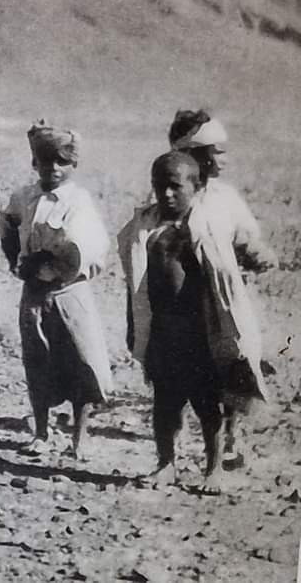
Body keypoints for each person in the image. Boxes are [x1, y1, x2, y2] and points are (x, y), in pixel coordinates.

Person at [120, 152, 275, 492]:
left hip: (200, 332)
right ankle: (166, 463)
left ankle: (213, 468)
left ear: (197, 186)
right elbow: (135, 285)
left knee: (208, 404)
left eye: (175, 187)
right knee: (165, 403)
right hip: (163, 330)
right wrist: (133, 323)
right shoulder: (147, 230)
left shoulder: (207, 227)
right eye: (160, 187)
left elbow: (228, 277)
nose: (167, 194)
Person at [0, 121, 113, 458]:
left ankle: (80, 438)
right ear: (34, 163)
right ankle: (42, 433)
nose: (53, 168)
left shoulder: (78, 201)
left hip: (69, 293)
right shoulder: (23, 197)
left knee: (79, 362)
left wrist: (45, 257)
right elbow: (8, 224)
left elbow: (82, 247)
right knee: (38, 362)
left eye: (61, 162)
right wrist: (16, 260)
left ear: (73, 165)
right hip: (34, 294)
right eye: (45, 161)